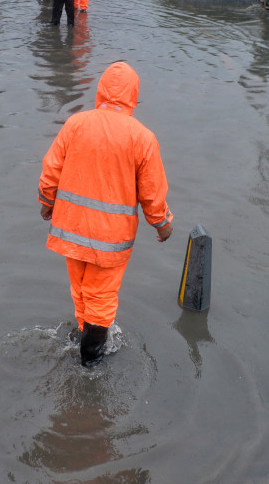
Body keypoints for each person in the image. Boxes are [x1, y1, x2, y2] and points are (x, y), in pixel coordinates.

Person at [38, 61, 174, 367]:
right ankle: (91, 362)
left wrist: (47, 203)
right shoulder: (142, 137)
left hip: (70, 229)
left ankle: (83, 337)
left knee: (81, 290)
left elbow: (51, 171)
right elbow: (152, 192)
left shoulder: (76, 123)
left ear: (101, 90)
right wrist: (162, 224)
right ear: (133, 96)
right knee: (100, 297)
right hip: (110, 240)